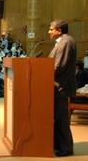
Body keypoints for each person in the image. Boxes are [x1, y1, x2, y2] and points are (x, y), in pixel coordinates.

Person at [48, 19, 76, 157]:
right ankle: (59, 144)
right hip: (58, 86)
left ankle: (67, 147)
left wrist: (43, 71)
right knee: (58, 118)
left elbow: (58, 66)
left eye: (51, 29)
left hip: (61, 87)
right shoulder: (63, 41)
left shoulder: (65, 42)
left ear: (60, 31)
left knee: (61, 118)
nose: (49, 31)